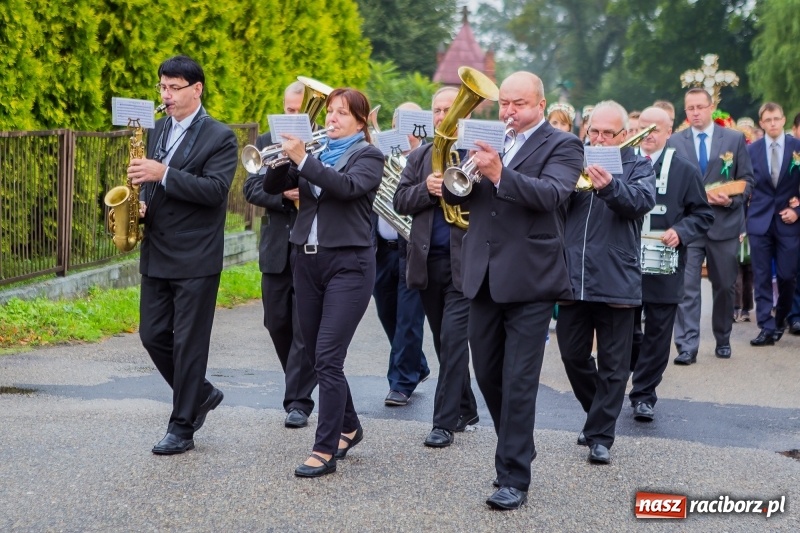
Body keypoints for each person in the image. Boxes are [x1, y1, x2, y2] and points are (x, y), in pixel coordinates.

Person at [441, 72, 584, 510]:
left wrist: (500, 173)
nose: (509, 112)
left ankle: (512, 476)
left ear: (540, 104)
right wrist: (452, 182)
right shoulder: (487, 141)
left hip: (531, 278)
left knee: (519, 381)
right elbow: (471, 201)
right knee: (486, 373)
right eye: (504, 103)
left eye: (518, 103)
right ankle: (518, 443)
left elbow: (553, 196)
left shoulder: (563, 145)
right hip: (482, 275)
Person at [263, 87, 383, 478]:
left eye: (342, 114)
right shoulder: (316, 153)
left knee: (329, 356)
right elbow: (270, 188)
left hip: (350, 265)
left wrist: (304, 159)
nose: (331, 119)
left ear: (361, 122)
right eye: (329, 112)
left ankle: (325, 447)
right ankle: (349, 425)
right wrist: (283, 159)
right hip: (306, 260)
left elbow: (346, 188)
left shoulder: (368, 155)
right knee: (316, 355)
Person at [128, 55, 238, 455]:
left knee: (190, 343)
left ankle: (182, 426)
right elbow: (147, 182)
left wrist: (165, 175)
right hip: (158, 248)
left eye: (174, 87)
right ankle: (202, 394)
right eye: (162, 87)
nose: (166, 95)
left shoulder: (220, 136)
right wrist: (141, 202)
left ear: (197, 89)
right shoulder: (156, 130)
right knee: (152, 334)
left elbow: (214, 191)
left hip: (196, 253)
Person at [557, 101, 656, 465]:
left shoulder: (639, 165)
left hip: (616, 274)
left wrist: (611, 186)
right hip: (573, 276)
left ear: (624, 135)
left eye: (606, 133)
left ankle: (600, 435)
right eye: (593, 131)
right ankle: (598, 412)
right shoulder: (573, 159)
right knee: (571, 354)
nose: (598, 138)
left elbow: (641, 202)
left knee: (615, 364)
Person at [394, 86, 480, 449]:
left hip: (466, 265)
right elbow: (400, 201)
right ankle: (467, 407)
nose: (444, 116)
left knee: (454, 342)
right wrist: (426, 190)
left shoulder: (480, 154)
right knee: (444, 343)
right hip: (428, 264)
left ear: (467, 114)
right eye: (438, 110)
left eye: (451, 109)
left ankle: (442, 424)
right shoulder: (422, 157)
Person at [628, 107, 713, 422]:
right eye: (643, 128)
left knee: (659, 331)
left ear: (668, 132)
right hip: (624, 262)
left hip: (665, 263)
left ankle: (644, 395)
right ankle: (635, 367)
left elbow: (703, 214)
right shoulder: (622, 162)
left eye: (655, 129)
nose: (648, 134)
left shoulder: (684, 169)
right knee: (626, 330)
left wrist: (681, 231)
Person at [243, 81, 317, 428]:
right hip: (275, 245)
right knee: (276, 321)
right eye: (288, 110)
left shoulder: (322, 144)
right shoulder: (265, 142)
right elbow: (251, 188)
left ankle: (298, 401)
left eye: (299, 111)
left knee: (304, 325)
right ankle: (300, 379)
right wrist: (283, 197)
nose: (292, 116)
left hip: (310, 245)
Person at [669, 88, 754, 363]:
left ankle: (723, 336)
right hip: (690, 226)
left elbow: (747, 180)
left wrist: (730, 200)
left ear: (710, 107)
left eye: (699, 107)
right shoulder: (675, 141)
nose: (695, 112)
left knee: (724, 286)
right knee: (687, 285)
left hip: (724, 224)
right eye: (690, 108)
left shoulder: (733, 138)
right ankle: (687, 345)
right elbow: (670, 184)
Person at [372, 102, 430, 407]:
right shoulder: (382, 155)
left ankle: (401, 382)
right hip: (382, 248)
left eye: (411, 124)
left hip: (413, 249)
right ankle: (417, 365)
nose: (404, 131)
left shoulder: (429, 157)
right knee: (387, 313)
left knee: (409, 318)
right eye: (399, 123)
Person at [745, 102, 800, 346]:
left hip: (788, 222)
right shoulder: (751, 150)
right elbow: (744, 183)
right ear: (761, 123)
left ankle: (780, 320)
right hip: (759, 220)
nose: (773, 123)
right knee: (762, 275)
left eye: (777, 118)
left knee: (788, 275)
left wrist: (798, 210)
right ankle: (765, 326)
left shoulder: (797, 148)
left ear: (784, 119)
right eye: (768, 120)